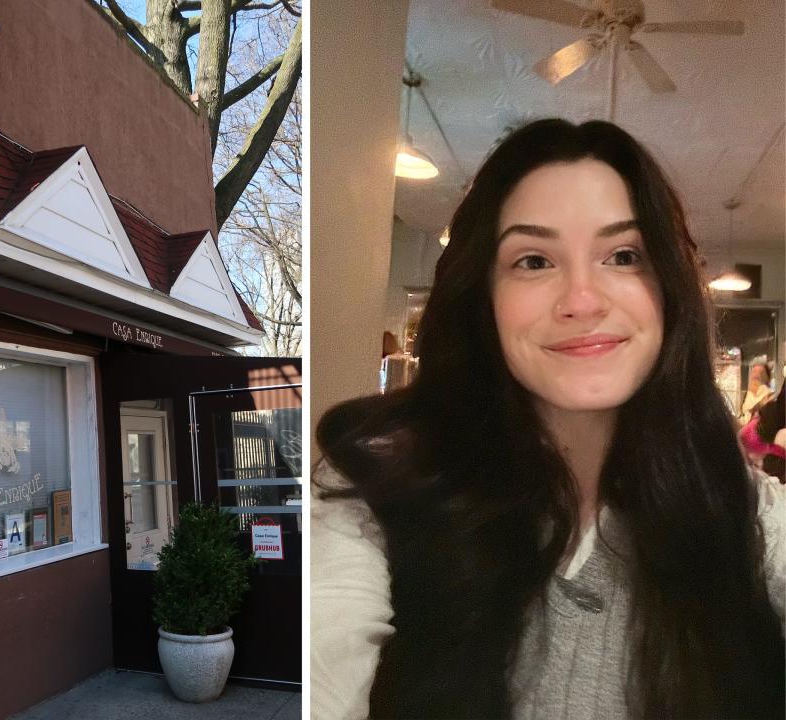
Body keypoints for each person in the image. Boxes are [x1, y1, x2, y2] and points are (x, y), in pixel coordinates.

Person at [312, 119, 785, 719]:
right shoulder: (376, 492)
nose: (582, 300)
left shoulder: (744, 511)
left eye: (623, 255)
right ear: (484, 298)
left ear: (668, 288)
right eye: (534, 261)